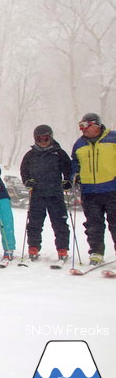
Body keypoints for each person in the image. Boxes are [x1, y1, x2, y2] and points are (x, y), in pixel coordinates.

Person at [20, 125, 72, 261]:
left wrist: (68, 181)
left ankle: (62, 249)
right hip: (37, 193)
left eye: (46, 138)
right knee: (34, 223)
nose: (43, 141)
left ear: (51, 137)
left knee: (60, 222)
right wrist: (27, 181)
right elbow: (24, 171)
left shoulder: (59, 153)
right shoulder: (30, 155)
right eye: (39, 138)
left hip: (55, 193)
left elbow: (68, 169)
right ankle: (33, 247)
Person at [70, 113, 116, 266]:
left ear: (96, 125)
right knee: (93, 224)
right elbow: (75, 164)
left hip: (111, 189)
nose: (82, 129)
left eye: (85, 126)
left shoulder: (112, 138)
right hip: (89, 191)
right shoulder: (79, 144)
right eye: (80, 126)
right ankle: (96, 252)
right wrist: (74, 175)